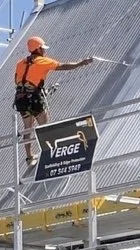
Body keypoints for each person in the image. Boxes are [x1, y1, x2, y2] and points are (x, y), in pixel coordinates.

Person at [13, 36, 95, 165]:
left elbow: (17, 80)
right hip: (34, 98)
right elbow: (63, 66)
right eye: (43, 49)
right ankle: (50, 152)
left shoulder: (20, 63)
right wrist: (80, 63)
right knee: (45, 126)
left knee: (27, 128)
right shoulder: (42, 61)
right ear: (38, 49)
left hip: (20, 99)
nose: (44, 51)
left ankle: (29, 157)